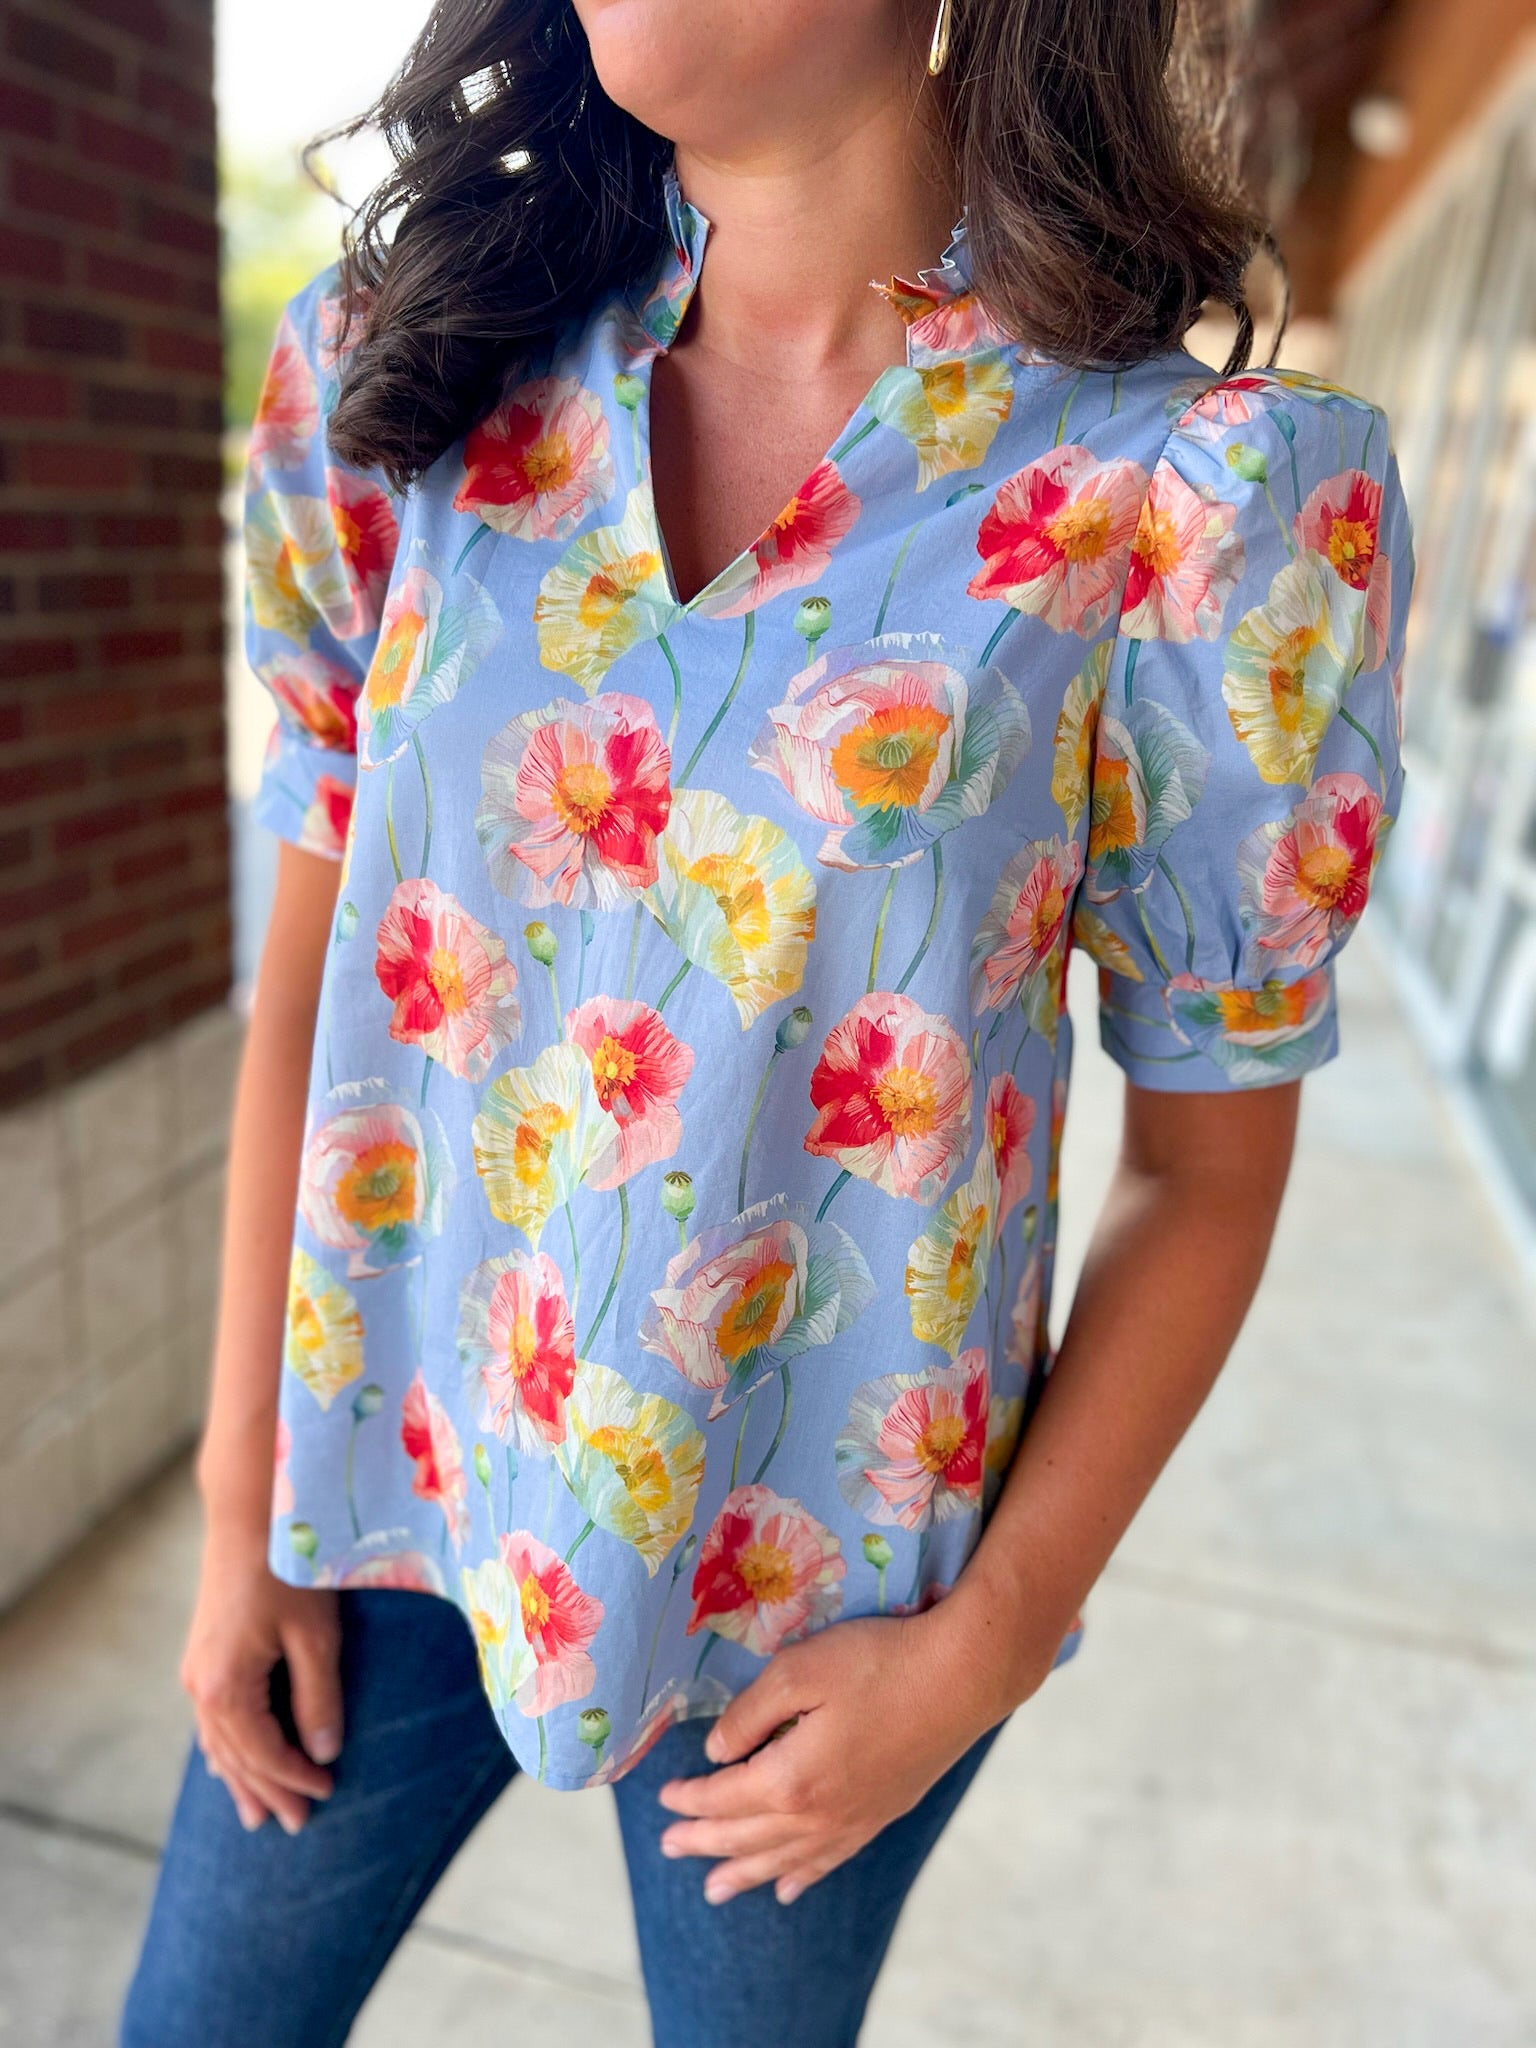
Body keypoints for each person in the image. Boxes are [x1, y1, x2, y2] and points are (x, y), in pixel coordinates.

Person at [122, 0, 1412, 2041]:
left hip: (834, 1593)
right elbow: (308, 991)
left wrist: (985, 1639)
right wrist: (236, 1502)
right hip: (383, 1490)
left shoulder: (1184, 499)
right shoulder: (409, 376)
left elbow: (1205, 1167)